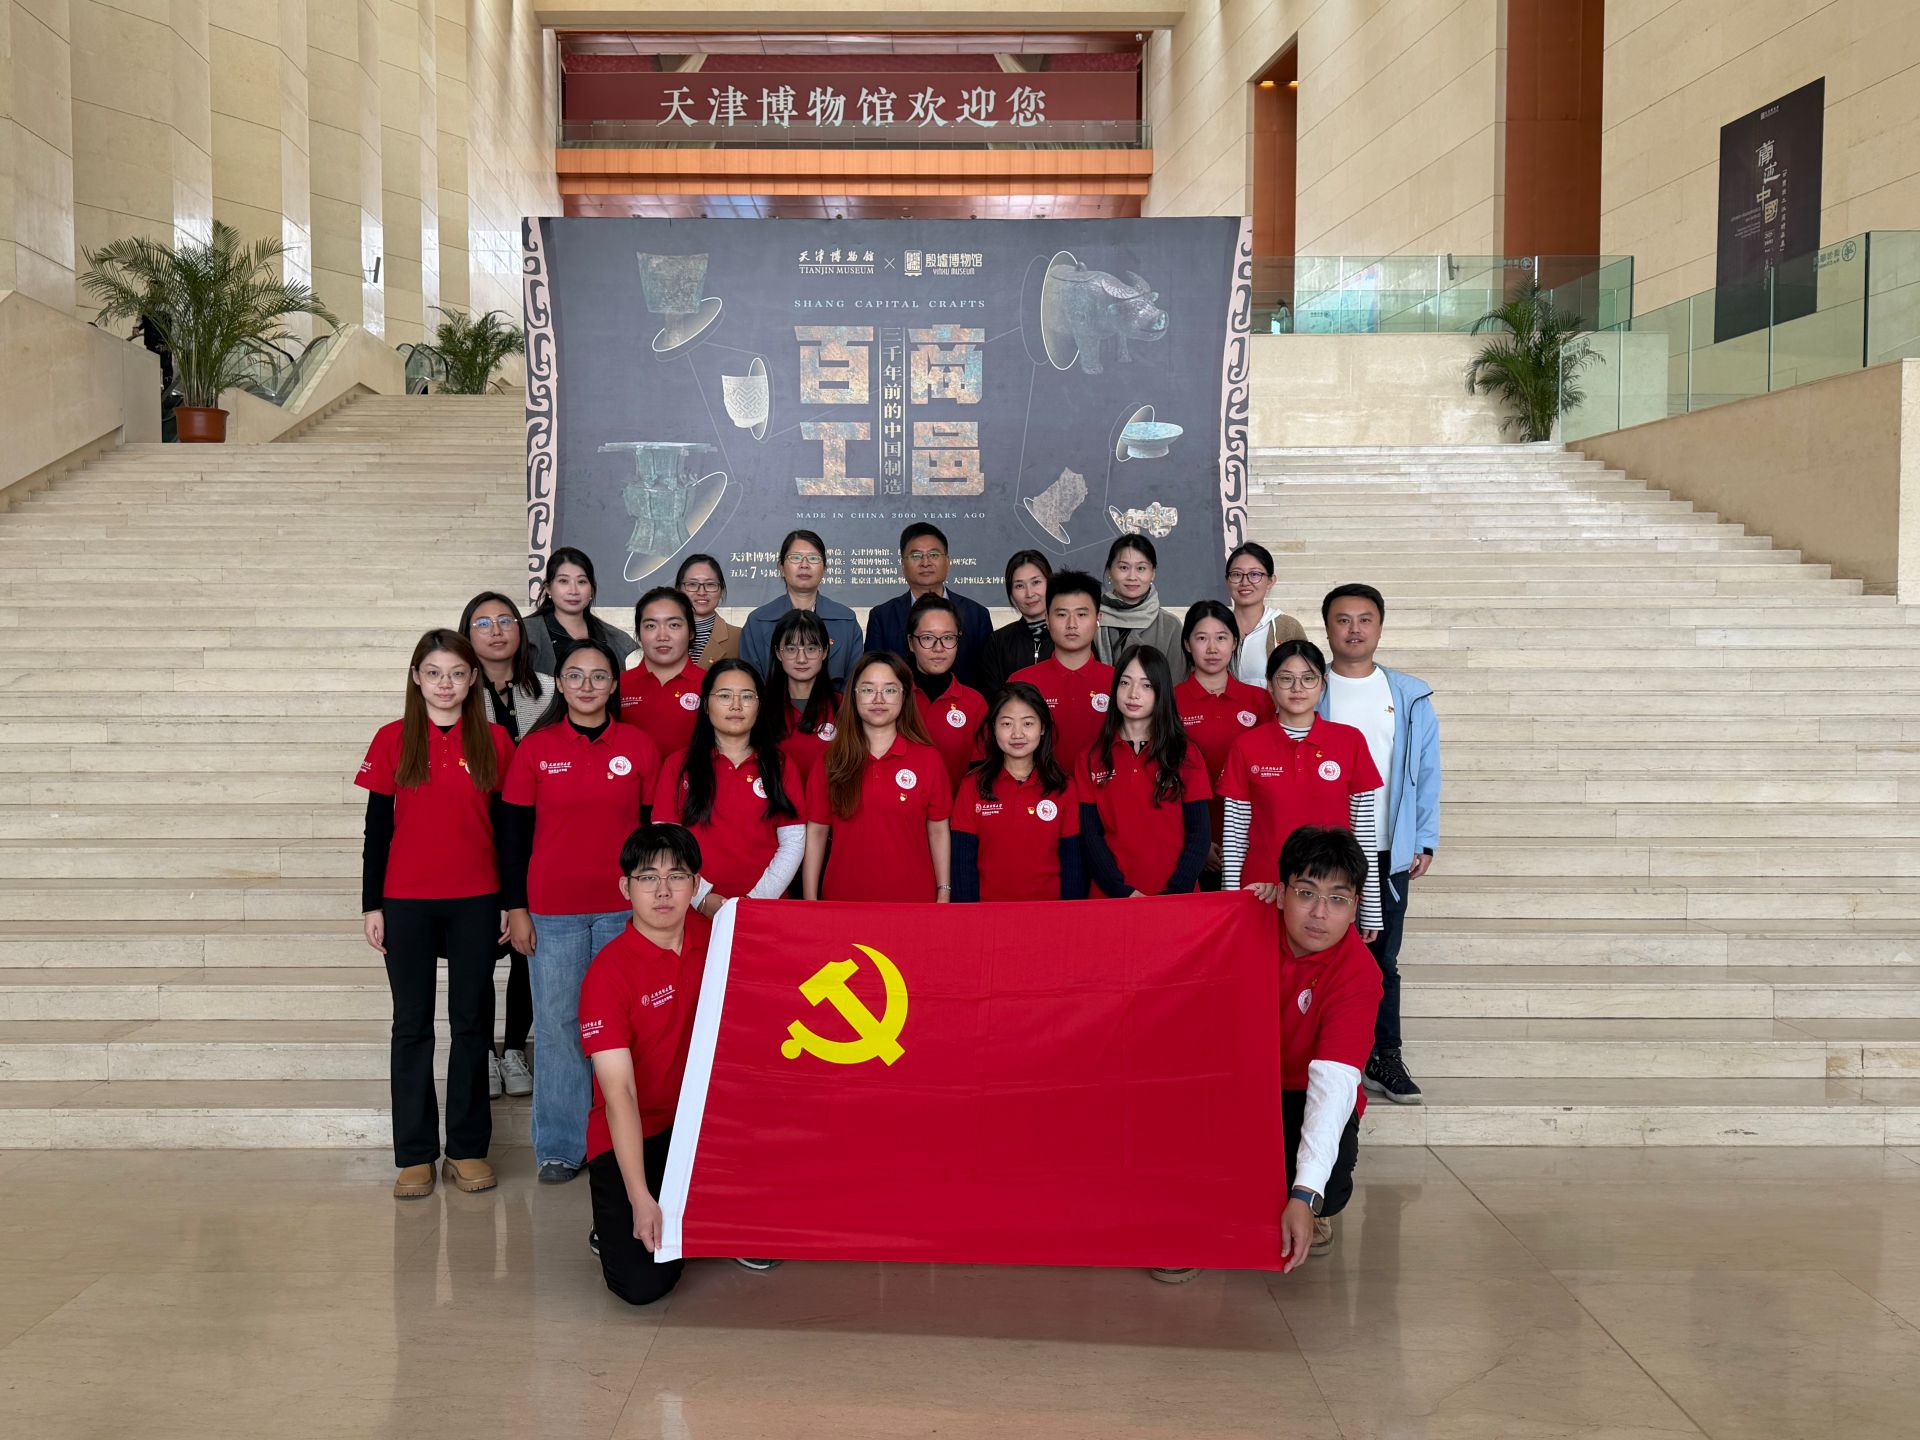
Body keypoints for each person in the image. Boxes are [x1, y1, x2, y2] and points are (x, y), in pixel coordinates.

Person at [1150, 828, 1382, 1283]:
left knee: (1328, 1186)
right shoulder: (1243, 925)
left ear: (1355, 906)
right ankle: (1193, 1220)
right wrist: (1239, 905)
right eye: (1306, 893)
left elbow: (1333, 1085)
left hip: (1300, 1092)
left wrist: (1305, 1194)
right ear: (1281, 892)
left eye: (1337, 899)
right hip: (1231, 1081)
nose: (1319, 913)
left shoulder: (1358, 975)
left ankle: (1309, 1209)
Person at [357, 630, 514, 1199]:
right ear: (416, 678)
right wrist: (372, 904)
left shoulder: (495, 740)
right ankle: (416, 1154)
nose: (445, 684)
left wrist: (509, 900)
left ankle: (467, 1149)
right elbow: (377, 829)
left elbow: (509, 829)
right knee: (412, 1025)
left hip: (477, 898)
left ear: (472, 680)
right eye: (434, 673)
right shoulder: (393, 738)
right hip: (407, 901)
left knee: (472, 1023)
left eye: (456, 673)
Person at [498, 640, 662, 1183]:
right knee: (559, 1026)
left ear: (614, 685)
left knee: (625, 1029)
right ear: (561, 685)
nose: (587, 686)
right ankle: (561, 1147)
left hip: (623, 913)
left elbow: (653, 837)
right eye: (575, 676)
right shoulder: (536, 749)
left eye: (598, 676)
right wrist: (517, 907)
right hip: (553, 911)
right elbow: (514, 838)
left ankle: (619, 1143)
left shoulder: (639, 747)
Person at [577, 823, 712, 1306]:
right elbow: (620, 1094)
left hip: (700, 1126)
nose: (663, 891)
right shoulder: (608, 974)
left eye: (677, 877)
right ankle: (617, 1219)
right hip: (635, 1130)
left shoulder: (717, 942)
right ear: (626, 887)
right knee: (641, 1285)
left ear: (696, 885)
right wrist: (640, 1198)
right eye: (648, 877)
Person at [1320, 583, 1441, 1107]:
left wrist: (1424, 838)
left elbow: (1427, 771)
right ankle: (1325, 1054)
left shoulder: (1408, 695)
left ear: (1379, 627)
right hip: (1324, 848)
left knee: (1381, 959)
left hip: (1388, 847)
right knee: (1322, 955)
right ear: (1327, 627)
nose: (1354, 629)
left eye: (1364, 619)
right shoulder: (1309, 684)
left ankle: (1384, 1056)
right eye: (1343, 619)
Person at [1218, 639, 1382, 929]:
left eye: (1308, 678)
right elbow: (1234, 836)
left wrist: (1370, 909)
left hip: (1327, 897)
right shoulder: (1246, 746)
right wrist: (1230, 905)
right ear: (1270, 685)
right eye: (1286, 678)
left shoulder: (1350, 742)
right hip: (1261, 892)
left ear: (1323, 684)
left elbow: (1364, 832)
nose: (1297, 688)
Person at [459, 591, 552, 1100]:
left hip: (536, 837)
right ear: (466, 634)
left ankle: (514, 1048)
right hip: (473, 838)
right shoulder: (454, 691)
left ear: (521, 629)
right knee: (478, 950)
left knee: (525, 948)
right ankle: (480, 1052)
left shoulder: (553, 689)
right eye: (483, 623)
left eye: (506, 620)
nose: (496, 631)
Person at [652, 660, 805, 917]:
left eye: (747, 696)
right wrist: (701, 897)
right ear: (705, 705)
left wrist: (753, 902)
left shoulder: (781, 765)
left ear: (759, 705)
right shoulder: (678, 765)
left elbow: (793, 842)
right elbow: (665, 840)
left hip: (765, 910)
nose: (736, 705)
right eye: (724, 696)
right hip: (691, 909)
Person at [802, 652, 953, 903]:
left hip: (914, 901)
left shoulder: (928, 759)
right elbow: (816, 832)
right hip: (842, 901)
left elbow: (938, 830)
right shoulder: (830, 761)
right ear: (854, 695)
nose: (879, 699)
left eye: (890, 690)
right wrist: (810, 899)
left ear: (904, 695)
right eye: (868, 689)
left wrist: (943, 892)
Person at [1077, 646, 1212, 898]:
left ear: (1161, 691)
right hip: (1111, 897)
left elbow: (1199, 833)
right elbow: (1091, 836)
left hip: (1177, 897)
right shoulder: (1091, 757)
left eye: (1146, 685)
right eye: (1125, 682)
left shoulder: (1185, 754)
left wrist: (1175, 892)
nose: (1133, 694)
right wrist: (1121, 891)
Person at [951, 681, 1085, 902]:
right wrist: (971, 916)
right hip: (988, 914)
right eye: (1006, 724)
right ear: (993, 728)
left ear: (1043, 727)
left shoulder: (1064, 787)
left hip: (1048, 912)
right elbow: (962, 864)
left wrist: (1068, 916)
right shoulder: (972, 785)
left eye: (1028, 723)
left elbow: (1072, 865)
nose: (1017, 734)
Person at [1173, 601, 1274, 889]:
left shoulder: (1258, 700)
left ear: (1234, 643)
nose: (1212, 648)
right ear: (1187, 644)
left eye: (1221, 637)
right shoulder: (1170, 701)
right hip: (1187, 841)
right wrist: (1198, 842)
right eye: (1201, 638)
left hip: (1249, 840)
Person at [862, 522, 994, 688]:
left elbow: (985, 678)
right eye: (916, 556)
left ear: (948, 561)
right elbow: (873, 675)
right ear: (903, 564)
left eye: (934, 554)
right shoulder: (882, 617)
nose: (926, 562)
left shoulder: (977, 615)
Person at [1010, 570, 1115, 773]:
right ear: (1047, 619)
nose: (1071, 624)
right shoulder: (1022, 682)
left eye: (1082, 614)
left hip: (1102, 790)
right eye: (1061, 614)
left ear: (1098, 619)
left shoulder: (1118, 682)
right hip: (1040, 790)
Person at [739, 529, 864, 686]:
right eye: (795, 558)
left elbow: (854, 685)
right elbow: (750, 685)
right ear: (781, 567)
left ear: (824, 568)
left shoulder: (846, 621)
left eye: (813, 558)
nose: (804, 565)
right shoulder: (757, 622)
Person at [905, 594, 988, 790]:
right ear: (911, 642)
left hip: (958, 808)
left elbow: (981, 774)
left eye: (948, 638)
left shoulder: (974, 703)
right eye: (927, 638)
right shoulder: (893, 697)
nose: (939, 648)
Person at [618, 587, 705, 760]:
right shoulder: (617, 685)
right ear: (638, 633)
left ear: (691, 632)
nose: (662, 636)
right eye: (651, 626)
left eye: (674, 625)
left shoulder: (710, 684)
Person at [525, 547, 638, 677]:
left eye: (581, 581)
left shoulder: (617, 640)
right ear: (548, 588)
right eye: (563, 581)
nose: (573, 591)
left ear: (592, 589)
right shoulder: (525, 633)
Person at [764, 608, 839, 784]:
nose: (801, 659)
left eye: (811, 648)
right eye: (791, 649)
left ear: (824, 652)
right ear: (778, 653)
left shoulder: (844, 707)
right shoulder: (760, 708)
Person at [1225, 542, 1308, 685]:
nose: (1245, 582)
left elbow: (1305, 679)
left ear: (1270, 581)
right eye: (1237, 574)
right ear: (1227, 580)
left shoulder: (1287, 627)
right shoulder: (1217, 626)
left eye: (1255, 574)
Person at [1094, 534, 1182, 666]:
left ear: (1153, 573)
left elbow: (1177, 677)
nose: (1132, 577)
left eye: (1141, 568)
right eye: (1124, 567)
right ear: (1109, 571)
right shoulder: (1092, 619)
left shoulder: (1170, 626)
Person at [977, 549, 1054, 700]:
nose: (1029, 593)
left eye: (1036, 582)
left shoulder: (1070, 635)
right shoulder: (997, 642)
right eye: (1019, 586)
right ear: (1011, 593)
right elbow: (993, 698)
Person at [677, 554, 738, 665]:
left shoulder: (740, 637)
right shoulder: (663, 635)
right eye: (692, 584)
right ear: (678, 589)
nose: (701, 592)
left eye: (710, 584)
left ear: (721, 590)